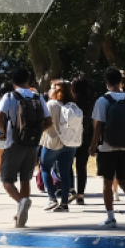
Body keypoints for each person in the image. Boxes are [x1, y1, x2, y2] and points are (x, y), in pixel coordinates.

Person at [90, 67, 125, 228]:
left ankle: (110, 217)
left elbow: (98, 126)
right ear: (121, 82)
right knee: (124, 181)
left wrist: (93, 146)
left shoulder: (102, 100)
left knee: (108, 183)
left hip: (108, 147)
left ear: (107, 82)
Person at [0, 66, 51, 228]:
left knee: (6, 180)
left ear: (12, 81)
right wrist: (36, 132)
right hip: (32, 144)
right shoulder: (37, 97)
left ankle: (21, 202)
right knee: (25, 179)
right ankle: (20, 216)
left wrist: (3, 132)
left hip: (14, 143)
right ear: (28, 80)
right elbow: (48, 122)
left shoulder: (10, 96)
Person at [40, 78, 82, 211]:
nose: (49, 90)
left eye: (51, 88)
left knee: (45, 167)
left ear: (57, 91)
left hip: (53, 141)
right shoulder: (72, 105)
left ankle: (52, 198)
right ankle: (64, 203)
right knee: (65, 172)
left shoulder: (51, 105)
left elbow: (45, 122)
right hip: (70, 143)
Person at [71, 76, 95, 205]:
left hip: (71, 136)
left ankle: (71, 189)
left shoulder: (71, 101)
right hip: (86, 136)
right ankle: (81, 195)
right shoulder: (91, 101)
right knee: (82, 166)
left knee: (67, 163)